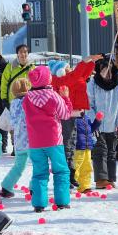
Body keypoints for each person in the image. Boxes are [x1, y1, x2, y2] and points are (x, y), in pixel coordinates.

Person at [22, 66, 73, 212]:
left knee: (39, 173)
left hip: (35, 142)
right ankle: (62, 201)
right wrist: (66, 98)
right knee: (61, 170)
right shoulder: (53, 96)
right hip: (53, 141)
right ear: (47, 79)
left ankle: (38, 204)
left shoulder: (27, 99)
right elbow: (65, 115)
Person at [49, 55, 101, 188]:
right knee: (68, 146)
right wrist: (85, 61)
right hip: (68, 116)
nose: (70, 69)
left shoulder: (70, 78)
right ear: (60, 71)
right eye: (67, 68)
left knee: (71, 145)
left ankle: (71, 174)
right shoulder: (59, 80)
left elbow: (82, 76)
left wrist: (91, 63)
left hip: (77, 114)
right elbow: (77, 75)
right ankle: (67, 174)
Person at [87, 57, 118, 189]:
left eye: (109, 70)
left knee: (111, 152)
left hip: (113, 125)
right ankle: (101, 179)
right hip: (98, 125)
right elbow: (89, 105)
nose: (107, 73)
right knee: (100, 151)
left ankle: (110, 178)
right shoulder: (93, 84)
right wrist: (94, 122)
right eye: (103, 70)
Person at [0, 79, 31, 198]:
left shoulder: (12, 104)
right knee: (38, 166)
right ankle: (35, 188)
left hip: (18, 142)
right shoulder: (28, 101)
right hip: (30, 140)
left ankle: (6, 187)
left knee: (18, 166)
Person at [73, 111, 103, 194]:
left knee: (87, 167)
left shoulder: (87, 118)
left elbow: (91, 129)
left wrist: (97, 121)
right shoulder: (73, 118)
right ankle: (70, 184)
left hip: (87, 147)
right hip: (77, 147)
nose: (81, 109)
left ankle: (85, 186)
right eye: (78, 108)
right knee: (76, 167)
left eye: (82, 108)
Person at [0, 44, 34, 110]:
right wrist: (4, 98)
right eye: (20, 52)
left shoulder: (32, 67)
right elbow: (4, 82)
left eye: (25, 52)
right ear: (17, 54)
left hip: (28, 101)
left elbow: (35, 84)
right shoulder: (10, 66)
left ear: (28, 53)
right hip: (13, 101)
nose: (23, 54)